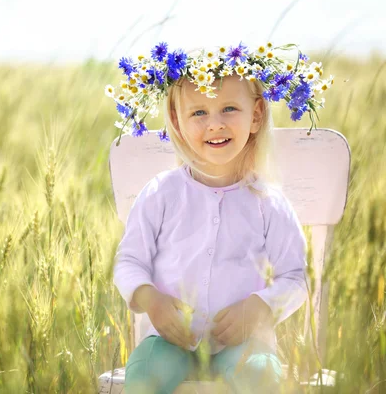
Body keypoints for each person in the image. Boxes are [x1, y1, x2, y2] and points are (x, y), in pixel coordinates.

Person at [106, 42, 333, 393]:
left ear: (256, 115)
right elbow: (129, 261)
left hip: (241, 343)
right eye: (198, 113)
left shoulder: (267, 201)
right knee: (147, 374)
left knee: (260, 375)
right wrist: (151, 300)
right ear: (177, 122)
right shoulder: (161, 193)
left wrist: (261, 308)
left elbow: (298, 275)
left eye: (229, 108)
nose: (215, 125)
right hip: (171, 341)